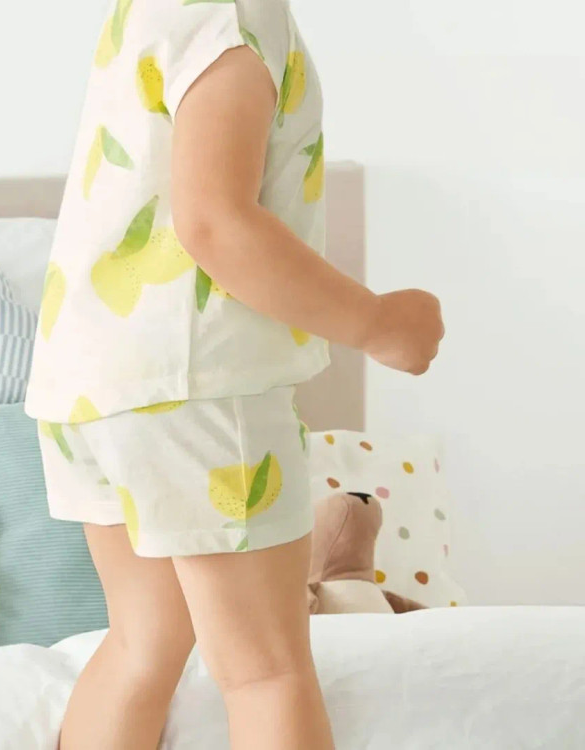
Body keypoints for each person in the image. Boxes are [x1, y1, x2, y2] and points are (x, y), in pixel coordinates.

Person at [24, 0, 444, 748]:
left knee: (142, 644)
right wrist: (377, 323)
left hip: (93, 381)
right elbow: (216, 222)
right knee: (266, 672)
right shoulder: (235, 18)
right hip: (196, 386)